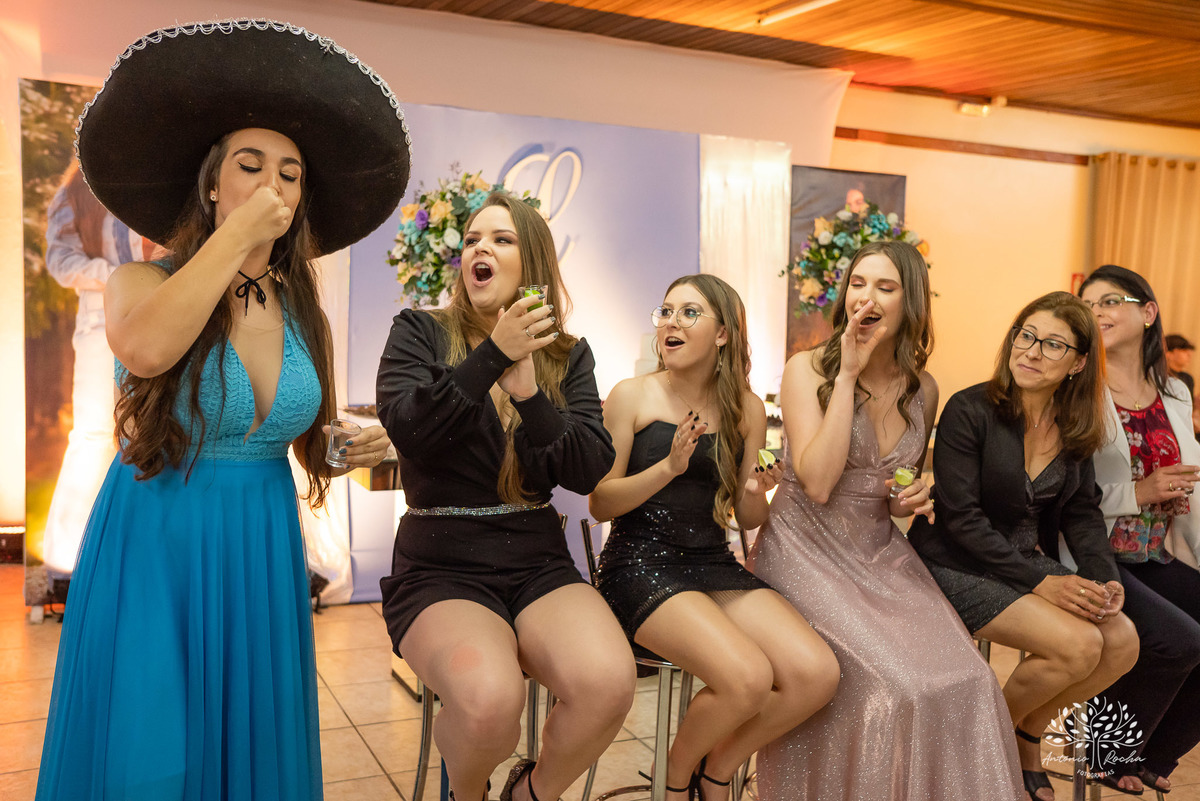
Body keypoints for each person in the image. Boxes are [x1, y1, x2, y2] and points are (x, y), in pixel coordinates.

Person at [36, 20, 410, 800]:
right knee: (155, 747)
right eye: (250, 166)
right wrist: (235, 235)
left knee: (247, 745)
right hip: (157, 542)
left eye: (292, 172)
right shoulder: (141, 283)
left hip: (260, 543)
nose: (274, 183)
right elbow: (146, 352)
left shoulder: (303, 307)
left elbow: (305, 443)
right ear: (212, 184)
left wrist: (350, 446)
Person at [376, 191, 635, 801]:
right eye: (471, 240)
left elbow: (590, 469)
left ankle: (531, 793)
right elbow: (410, 427)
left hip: (536, 559)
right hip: (440, 563)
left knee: (609, 682)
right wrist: (494, 355)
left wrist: (530, 397)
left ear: (533, 263)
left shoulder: (568, 355)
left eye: (500, 239)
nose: (480, 249)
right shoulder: (420, 331)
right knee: (491, 702)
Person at [749, 240, 1025, 801]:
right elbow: (821, 483)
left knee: (970, 678)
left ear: (911, 302)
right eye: (857, 283)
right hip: (804, 549)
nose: (865, 298)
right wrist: (847, 377)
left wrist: (910, 497)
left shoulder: (924, 387)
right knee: (894, 687)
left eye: (884, 287)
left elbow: (889, 490)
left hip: (878, 555)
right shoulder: (808, 370)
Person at [590, 274, 839, 801]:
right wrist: (669, 468)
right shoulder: (631, 395)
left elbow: (746, 518)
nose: (671, 323)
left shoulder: (746, 409)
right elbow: (600, 502)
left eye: (689, 313)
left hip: (709, 560)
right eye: (666, 312)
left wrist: (756, 491)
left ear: (723, 333)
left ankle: (717, 770)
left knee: (816, 675)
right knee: (747, 678)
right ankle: (674, 782)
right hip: (639, 564)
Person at [908, 291, 1139, 801]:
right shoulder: (970, 409)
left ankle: (1020, 734)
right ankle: (981, 747)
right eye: (1026, 336)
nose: (1030, 351)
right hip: (954, 560)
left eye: (1052, 344)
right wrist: (1043, 581)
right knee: (1078, 646)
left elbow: (1082, 514)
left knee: (1122, 642)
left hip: (1026, 563)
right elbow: (961, 520)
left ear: (1079, 362)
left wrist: (1106, 581)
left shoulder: (1076, 423)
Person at [1078, 266, 1200, 796]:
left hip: (1153, 554)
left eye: (1111, 300)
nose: (1098, 311)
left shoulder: (1173, 393)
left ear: (1147, 312)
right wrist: (1138, 493)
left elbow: (1190, 492)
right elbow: (1061, 497)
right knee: (1179, 639)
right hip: (1088, 555)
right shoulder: (1078, 388)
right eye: (1088, 304)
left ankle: (1155, 752)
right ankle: (1103, 750)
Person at [40, 167, 148, 578]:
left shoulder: (158, 179)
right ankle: (67, 565)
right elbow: (60, 260)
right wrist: (120, 277)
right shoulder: (76, 191)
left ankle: (138, 559)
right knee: (94, 435)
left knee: (156, 435)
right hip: (101, 322)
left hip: (160, 319)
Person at [1164, 333, 1195, 398]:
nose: (1189, 354)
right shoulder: (1159, 375)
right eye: (1184, 350)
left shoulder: (1187, 378)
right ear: (1168, 353)